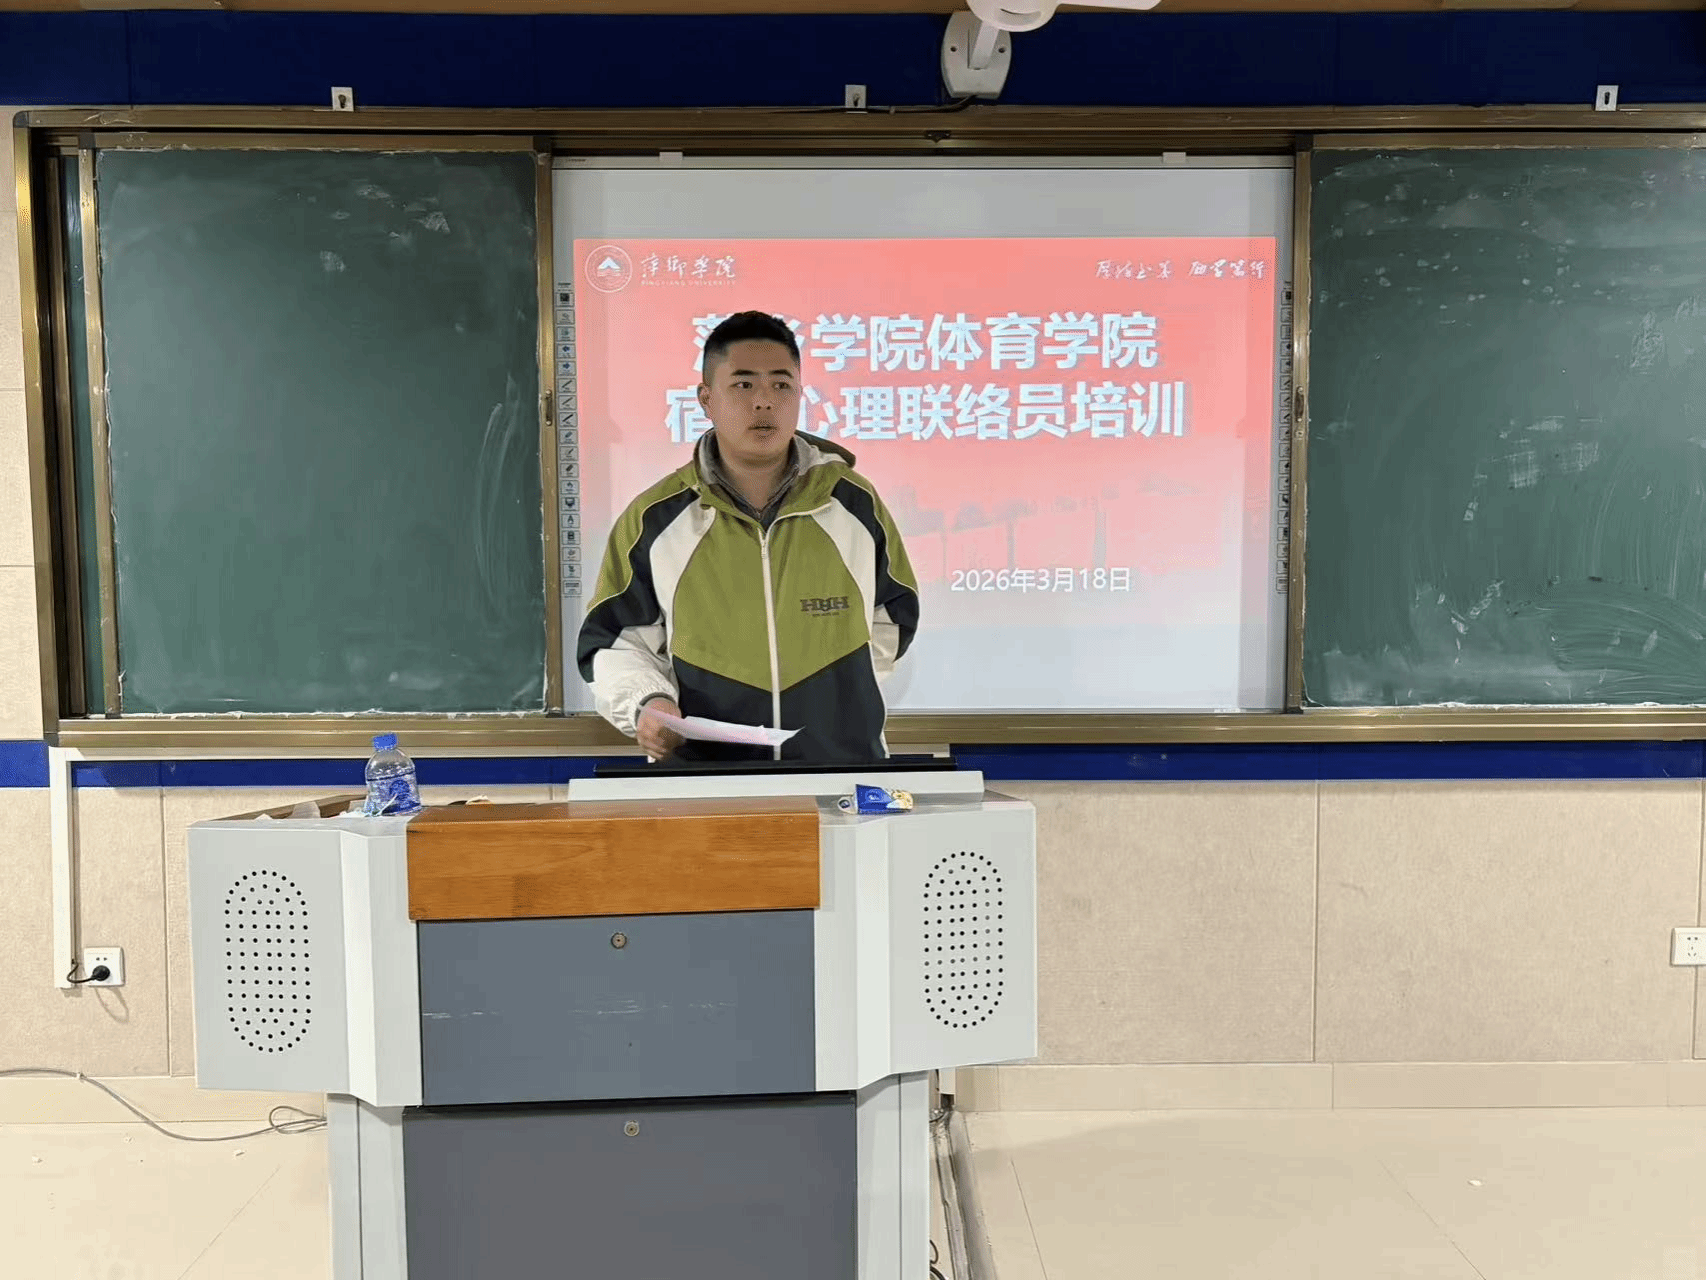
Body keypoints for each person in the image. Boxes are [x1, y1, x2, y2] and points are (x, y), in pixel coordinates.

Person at [577, 310, 919, 764]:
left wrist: (837, 694)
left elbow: (893, 616)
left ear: (799, 394)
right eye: (743, 385)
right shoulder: (655, 519)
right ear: (706, 399)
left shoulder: (853, 504)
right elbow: (616, 641)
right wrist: (649, 701)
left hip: (838, 768)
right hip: (705, 778)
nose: (764, 402)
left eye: (781, 385)